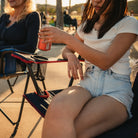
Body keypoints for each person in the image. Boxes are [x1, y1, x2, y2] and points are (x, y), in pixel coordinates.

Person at [39, 0, 138, 137]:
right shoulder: (87, 25)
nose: (96, 1)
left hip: (115, 91)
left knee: (74, 128)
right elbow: (67, 49)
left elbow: (106, 61)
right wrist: (70, 56)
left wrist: (67, 38)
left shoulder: (128, 23)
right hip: (87, 83)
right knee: (56, 107)